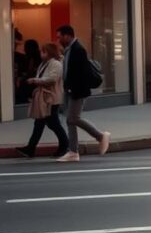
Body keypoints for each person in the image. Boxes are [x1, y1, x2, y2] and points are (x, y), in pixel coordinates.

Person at [56, 25, 110, 162]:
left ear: (67, 36)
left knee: (73, 118)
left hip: (77, 91)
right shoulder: (69, 50)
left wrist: (73, 90)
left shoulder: (78, 50)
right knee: (70, 120)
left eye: (59, 37)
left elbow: (80, 74)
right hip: (71, 90)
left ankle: (100, 136)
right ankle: (73, 152)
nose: (58, 40)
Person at [15, 42, 69, 159]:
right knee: (39, 123)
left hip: (51, 98)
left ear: (49, 53)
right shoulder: (45, 64)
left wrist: (35, 80)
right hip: (45, 97)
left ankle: (65, 145)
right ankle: (31, 148)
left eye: (43, 52)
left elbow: (52, 79)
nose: (41, 54)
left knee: (53, 123)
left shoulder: (55, 64)